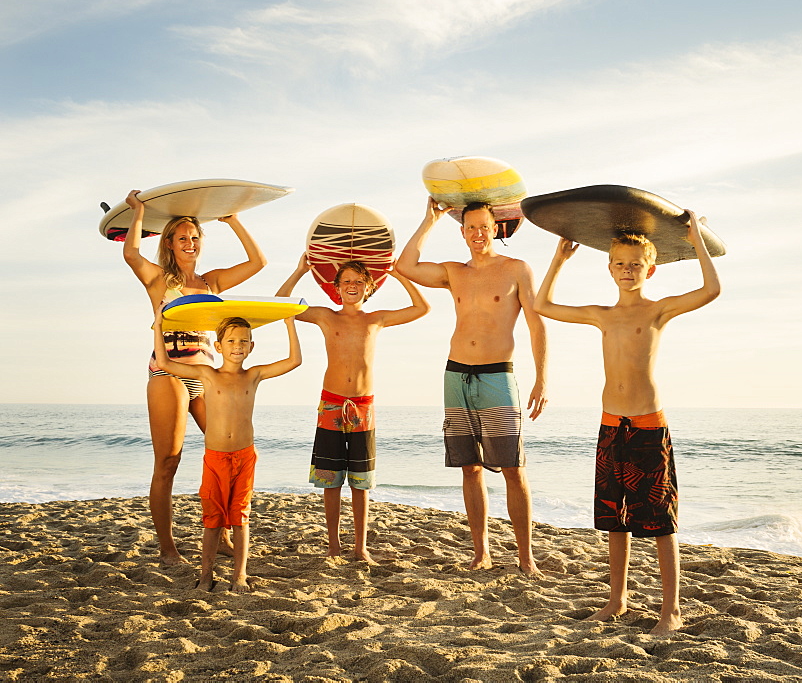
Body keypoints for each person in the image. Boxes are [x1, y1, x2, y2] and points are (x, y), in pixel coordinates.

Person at [534, 212, 720, 634]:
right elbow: (543, 305)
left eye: (636, 264)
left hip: (648, 427)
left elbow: (712, 289)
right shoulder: (602, 314)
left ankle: (670, 611)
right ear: (609, 267)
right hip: (610, 426)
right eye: (619, 263)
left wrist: (696, 241)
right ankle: (617, 600)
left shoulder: (657, 311)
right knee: (614, 519)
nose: (627, 270)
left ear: (650, 269)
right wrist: (559, 260)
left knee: (659, 522)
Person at [396, 198, 548, 575]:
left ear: (495, 228)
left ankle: (525, 557)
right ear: (462, 232)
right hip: (455, 373)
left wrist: (542, 377)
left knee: (512, 467)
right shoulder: (454, 272)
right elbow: (406, 266)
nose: (478, 234)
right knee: (470, 467)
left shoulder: (517, 270)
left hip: (498, 374)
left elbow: (537, 324)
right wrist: (429, 219)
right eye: (470, 228)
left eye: (484, 226)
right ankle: (481, 552)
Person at [122, 190, 267, 565]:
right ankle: (168, 548)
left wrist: (233, 220)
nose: (190, 243)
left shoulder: (211, 282)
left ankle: (217, 536)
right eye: (183, 237)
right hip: (168, 370)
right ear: (169, 244)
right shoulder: (158, 279)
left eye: (196, 237)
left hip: (205, 374)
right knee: (168, 461)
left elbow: (258, 261)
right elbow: (131, 254)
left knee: (227, 454)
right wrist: (138, 212)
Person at [276, 256, 429, 563]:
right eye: (346, 281)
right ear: (336, 287)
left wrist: (399, 274)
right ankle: (333, 545)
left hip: (363, 408)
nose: (352, 286)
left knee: (360, 482)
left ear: (369, 287)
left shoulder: (376, 319)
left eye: (359, 281)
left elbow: (421, 308)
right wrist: (300, 269)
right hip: (331, 404)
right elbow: (281, 302)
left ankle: (360, 548)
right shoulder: (326, 316)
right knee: (330, 480)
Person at [153, 312, 301, 592]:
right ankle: (206, 576)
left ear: (251, 346)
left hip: (244, 457)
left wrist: (288, 323)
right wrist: (159, 327)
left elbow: (294, 361)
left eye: (244, 341)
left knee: (240, 517)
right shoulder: (207, 374)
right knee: (212, 520)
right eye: (231, 340)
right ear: (218, 346)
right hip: (216, 458)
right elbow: (163, 363)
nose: (238, 345)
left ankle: (239, 576)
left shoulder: (254, 375)